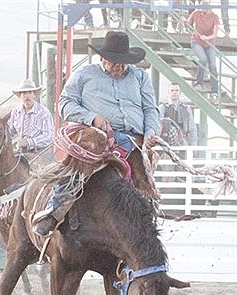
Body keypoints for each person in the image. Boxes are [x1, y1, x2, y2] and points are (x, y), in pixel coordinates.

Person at [33, 31, 159, 236]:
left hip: (133, 141)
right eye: (113, 61)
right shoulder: (84, 74)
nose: (118, 65)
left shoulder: (140, 77)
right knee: (81, 161)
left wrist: (151, 131)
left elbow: (150, 109)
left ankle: (146, 222)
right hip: (96, 136)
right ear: (102, 58)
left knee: (144, 185)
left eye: (122, 61)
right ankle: (55, 209)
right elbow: (65, 104)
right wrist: (92, 118)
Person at [7, 79, 55, 158]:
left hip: (40, 153)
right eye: (24, 93)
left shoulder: (44, 113)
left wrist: (29, 142)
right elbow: (10, 132)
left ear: (34, 95)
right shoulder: (15, 112)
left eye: (30, 92)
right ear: (20, 96)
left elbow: (49, 135)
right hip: (21, 152)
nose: (27, 95)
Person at [186, 0, 219, 103]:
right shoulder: (196, 13)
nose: (202, 12)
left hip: (210, 43)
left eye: (204, 10)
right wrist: (186, 23)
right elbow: (188, 23)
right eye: (200, 10)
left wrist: (207, 37)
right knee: (203, 59)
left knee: (213, 66)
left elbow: (215, 34)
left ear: (208, 9)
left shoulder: (215, 17)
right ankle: (199, 83)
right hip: (196, 41)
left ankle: (214, 91)